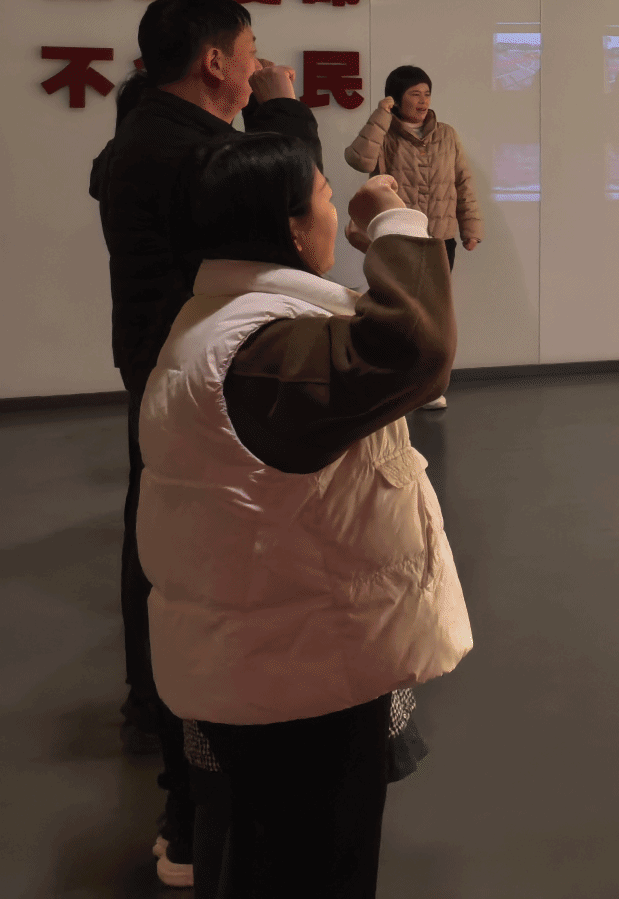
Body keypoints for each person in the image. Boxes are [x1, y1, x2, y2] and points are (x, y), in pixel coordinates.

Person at [138, 142, 470, 899]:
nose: (334, 207)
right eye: (324, 194)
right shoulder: (260, 350)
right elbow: (416, 350)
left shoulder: (223, 325)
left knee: (261, 851)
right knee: (309, 862)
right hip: (295, 675)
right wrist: (392, 222)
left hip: (265, 653)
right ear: (290, 228)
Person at [89, 0, 319, 886]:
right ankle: (189, 804)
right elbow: (288, 207)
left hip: (165, 367)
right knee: (197, 578)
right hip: (195, 373)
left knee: (167, 555)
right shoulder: (185, 149)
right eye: (250, 48)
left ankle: (178, 771)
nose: (260, 63)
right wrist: (282, 111)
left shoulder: (147, 135)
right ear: (215, 61)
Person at [344, 67, 480, 411]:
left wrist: (471, 227)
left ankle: (429, 387)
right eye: (414, 94)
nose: (423, 101)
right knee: (399, 312)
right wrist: (381, 114)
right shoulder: (385, 134)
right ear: (396, 98)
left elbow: (462, 182)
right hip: (399, 236)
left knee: (435, 315)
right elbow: (358, 159)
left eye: (427, 93)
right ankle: (397, 383)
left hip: (440, 238)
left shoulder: (447, 135)